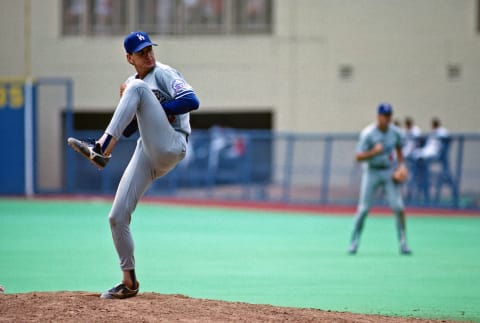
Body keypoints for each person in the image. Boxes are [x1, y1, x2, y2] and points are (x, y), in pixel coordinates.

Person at [67, 31, 200, 299]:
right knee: (116, 217)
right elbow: (129, 130)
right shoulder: (132, 83)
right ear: (130, 58)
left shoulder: (163, 72)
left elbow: (192, 101)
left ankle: (101, 149)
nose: (148, 54)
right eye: (141, 52)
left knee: (137, 89)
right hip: (148, 151)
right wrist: (134, 104)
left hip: (173, 143)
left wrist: (147, 102)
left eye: (150, 49)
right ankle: (129, 282)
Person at [348, 103, 412, 255]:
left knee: (398, 207)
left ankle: (403, 243)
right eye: (384, 115)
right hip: (372, 171)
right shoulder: (368, 133)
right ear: (378, 116)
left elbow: (399, 149)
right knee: (363, 209)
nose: (387, 118)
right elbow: (358, 156)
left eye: (389, 115)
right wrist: (373, 152)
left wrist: (401, 166)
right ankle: (354, 241)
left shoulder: (395, 132)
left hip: (389, 171)